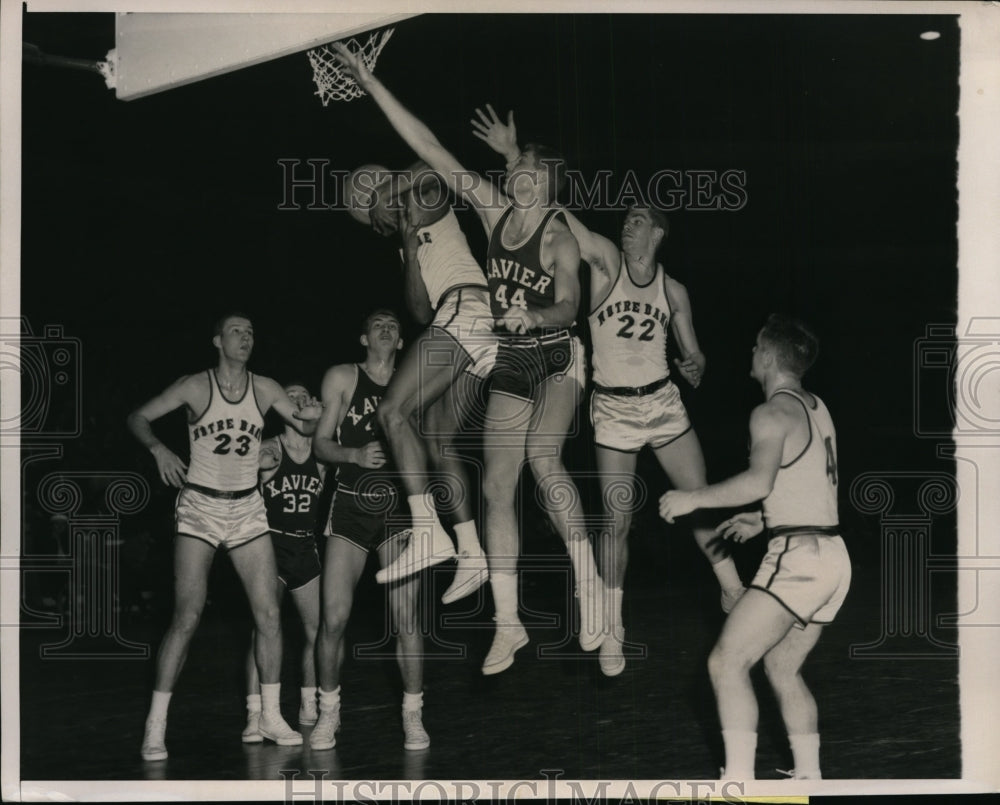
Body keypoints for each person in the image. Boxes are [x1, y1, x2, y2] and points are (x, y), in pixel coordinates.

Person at [333, 46, 603, 676]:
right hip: (508, 351)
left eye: (529, 173)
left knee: (541, 459)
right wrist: (371, 83)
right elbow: (431, 149)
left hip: (555, 350)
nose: (518, 179)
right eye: (516, 172)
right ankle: (506, 621)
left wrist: (534, 316)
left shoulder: (557, 229)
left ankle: (591, 588)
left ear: (544, 181)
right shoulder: (489, 206)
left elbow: (567, 307)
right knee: (489, 476)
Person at [659, 314, 851, 780]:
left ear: (768, 357)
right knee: (782, 668)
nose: (751, 353)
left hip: (799, 560)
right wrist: (763, 517)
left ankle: (738, 781)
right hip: (833, 557)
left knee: (726, 662)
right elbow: (801, 478)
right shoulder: (816, 407)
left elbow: (758, 479)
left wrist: (692, 497)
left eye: (755, 347)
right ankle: (809, 776)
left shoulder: (769, 412)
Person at [127, 312, 321, 762]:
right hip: (200, 507)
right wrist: (157, 447)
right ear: (217, 340)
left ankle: (270, 715)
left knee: (270, 615)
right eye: (236, 330)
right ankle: (155, 725)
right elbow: (138, 416)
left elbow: (305, 425)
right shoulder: (195, 385)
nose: (245, 337)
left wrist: (310, 417)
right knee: (187, 616)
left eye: (251, 331)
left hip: (248, 507)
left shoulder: (266, 387)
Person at [351, 162, 494, 605]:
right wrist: (410, 255)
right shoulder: (406, 239)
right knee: (439, 441)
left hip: (467, 306)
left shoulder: (423, 197)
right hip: (464, 323)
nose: (380, 219)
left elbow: (432, 167)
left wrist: (385, 190)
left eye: (372, 206)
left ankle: (427, 530)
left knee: (392, 412)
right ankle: (470, 551)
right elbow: (419, 313)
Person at [309, 309, 430, 752]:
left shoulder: (415, 383)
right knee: (335, 617)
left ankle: (413, 714)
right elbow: (320, 443)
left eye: (394, 327)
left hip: (399, 509)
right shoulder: (342, 377)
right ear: (363, 338)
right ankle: (328, 712)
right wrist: (355, 456)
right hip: (351, 506)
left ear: (401, 343)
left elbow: (433, 443)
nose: (386, 330)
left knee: (407, 619)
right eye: (378, 324)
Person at [241, 382, 325, 744]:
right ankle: (255, 713)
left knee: (317, 630)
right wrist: (253, 468)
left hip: (305, 547)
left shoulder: (322, 453)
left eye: (305, 396)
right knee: (264, 629)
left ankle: (309, 703)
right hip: (270, 546)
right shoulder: (269, 448)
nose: (299, 400)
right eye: (291, 396)